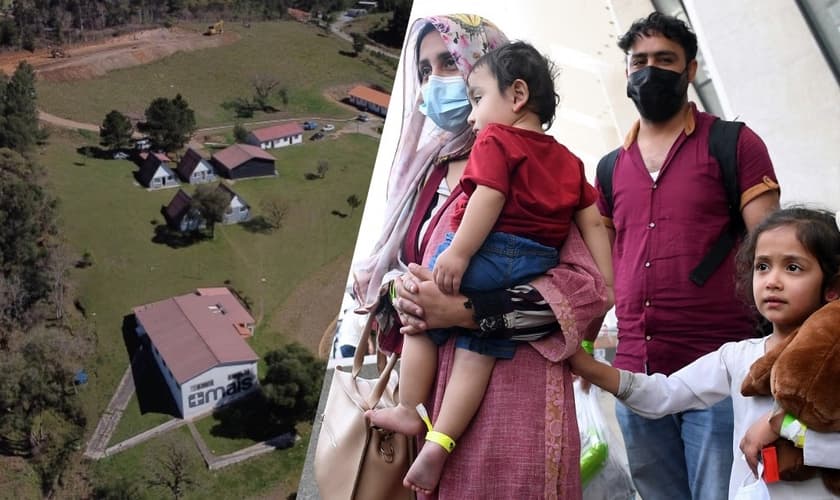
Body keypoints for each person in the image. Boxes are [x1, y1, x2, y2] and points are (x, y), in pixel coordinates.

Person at [351, 14, 609, 499]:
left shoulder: (537, 169)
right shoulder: (422, 176)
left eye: (448, 61)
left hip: (516, 400)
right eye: (423, 71)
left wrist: (470, 313)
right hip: (433, 401)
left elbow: (585, 291)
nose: (434, 82)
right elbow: (407, 264)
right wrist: (403, 293)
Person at [596, 12, 781, 499]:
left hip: (718, 376)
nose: (649, 70)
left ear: (690, 70)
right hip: (636, 373)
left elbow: (775, 249)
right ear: (626, 72)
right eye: (639, 61)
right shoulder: (611, 168)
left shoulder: (733, 144)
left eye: (665, 59)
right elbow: (604, 261)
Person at [570, 207, 840, 499]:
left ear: (833, 288)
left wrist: (782, 426)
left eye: (793, 268)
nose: (772, 280)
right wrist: (584, 364)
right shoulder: (737, 357)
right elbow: (664, 394)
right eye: (762, 266)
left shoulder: (834, 361)